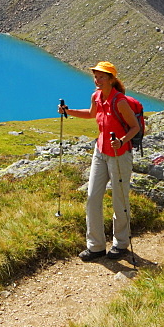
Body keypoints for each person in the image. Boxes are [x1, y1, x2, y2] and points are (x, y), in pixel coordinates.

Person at [59, 61, 140, 261]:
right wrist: (68, 112)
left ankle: (121, 243)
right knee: (92, 197)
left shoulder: (120, 101)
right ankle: (95, 246)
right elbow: (91, 114)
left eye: (101, 76)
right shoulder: (96, 96)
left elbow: (135, 127)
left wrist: (121, 141)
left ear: (111, 79)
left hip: (119, 155)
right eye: (96, 76)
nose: (97, 80)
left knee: (119, 200)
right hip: (100, 152)